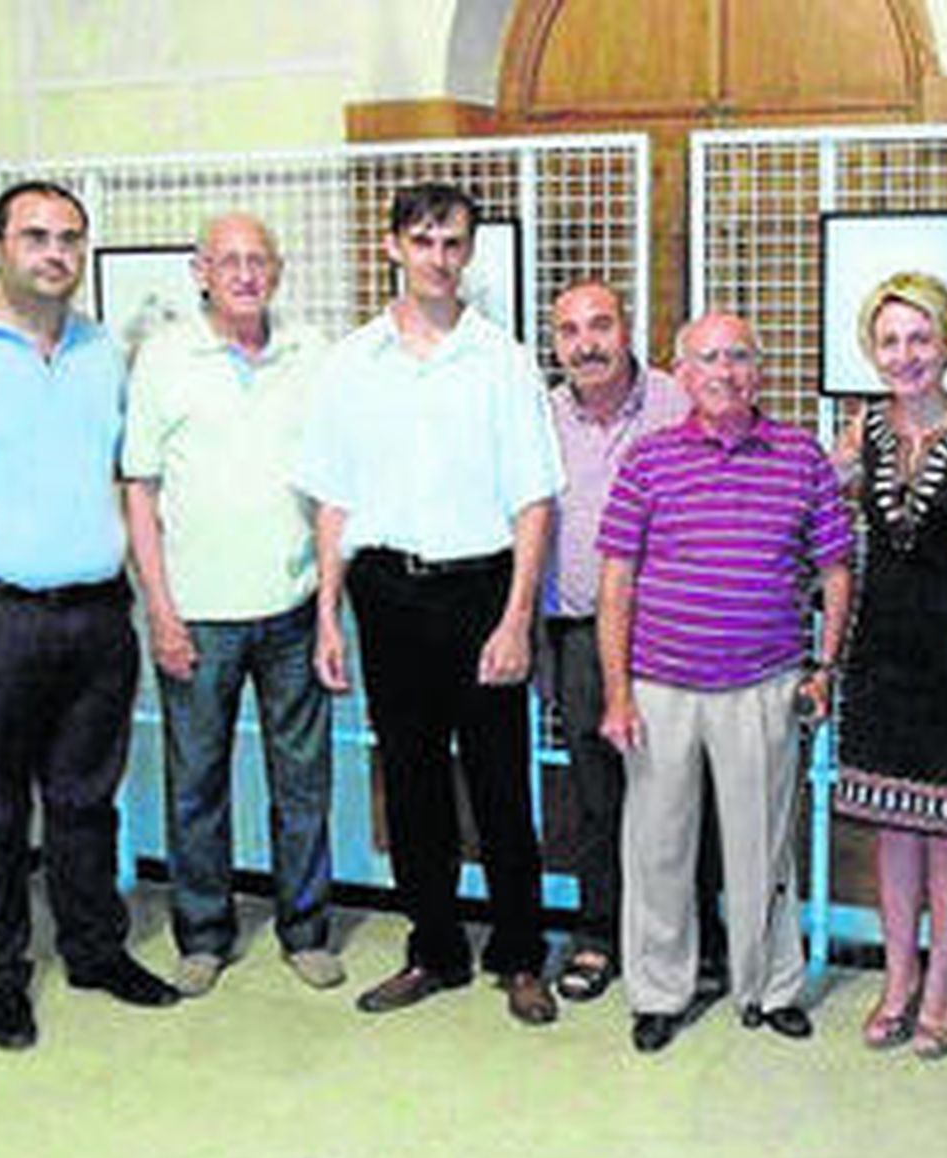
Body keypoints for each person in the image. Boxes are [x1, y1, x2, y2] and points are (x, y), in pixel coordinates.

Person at [0, 180, 179, 1051]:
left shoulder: (98, 350)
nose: (56, 253)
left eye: (70, 238)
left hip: (94, 616)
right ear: (1, 244)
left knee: (87, 798)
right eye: (36, 236)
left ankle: (95, 950)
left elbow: (123, 474)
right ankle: (0, 974)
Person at [297, 182, 564, 1027]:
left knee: (500, 787)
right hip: (385, 593)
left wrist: (516, 618)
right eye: (423, 241)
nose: (438, 258)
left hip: (481, 592)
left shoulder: (503, 360)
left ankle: (519, 955)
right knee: (411, 784)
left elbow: (534, 501)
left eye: (452, 243)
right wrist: (327, 613)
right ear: (393, 247)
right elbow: (334, 500)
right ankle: (435, 950)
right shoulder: (351, 364)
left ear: (469, 252)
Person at [597, 311, 854, 1054]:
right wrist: (617, 693)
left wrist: (825, 667)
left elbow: (836, 570)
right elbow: (617, 582)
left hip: (764, 682)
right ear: (681, 375)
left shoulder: (801, 458)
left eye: (739, 356)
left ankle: (771, 988)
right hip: (660, 685)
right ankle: (658, 993)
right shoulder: (647, 459)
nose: (725, 372)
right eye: (708, 358)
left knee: (763, 848)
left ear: (759, 371)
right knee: (657, 847)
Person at [123, 212, 340, 998]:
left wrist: (327, 608)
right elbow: (139, 489)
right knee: (196, 785)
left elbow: (334, 487)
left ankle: (305, 931)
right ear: (201, 272)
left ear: (277, 270)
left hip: (292, 607)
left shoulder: (312, 352)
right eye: (229, 261)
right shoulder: (163, 357)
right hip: (198, 615)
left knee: (303, 783)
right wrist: (160, 609)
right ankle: (203, 935)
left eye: (259, 260)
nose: (246, 274)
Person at [831, 272, 947, 1058]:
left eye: (921, 338)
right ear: (872, 350)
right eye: (890, 340)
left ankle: (943, 986)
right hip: (880, 648)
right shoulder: (862, 426)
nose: (906, 355)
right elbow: (820, 502)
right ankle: (897, 979)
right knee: (893, 828)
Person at [542, 280, 726, 1004]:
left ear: (628, 329)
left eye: (600, 325)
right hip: (580, 634)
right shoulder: (541, 416)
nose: (586, 344)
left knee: (687, 792)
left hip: (674, 631)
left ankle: (698, 937)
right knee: (597, 793)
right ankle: (598, 932)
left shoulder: (678, 401)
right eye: (569, 331)